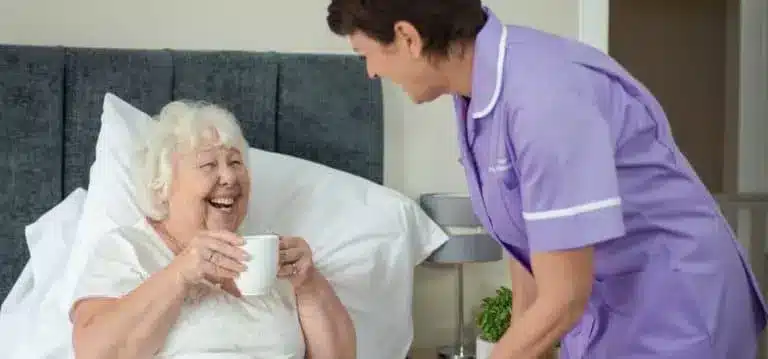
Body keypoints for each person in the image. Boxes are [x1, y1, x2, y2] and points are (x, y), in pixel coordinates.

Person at [326, 1, 768, 358]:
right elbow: (529, 238)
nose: (371, 73)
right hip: (606, 307)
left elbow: (564, 296)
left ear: (408, 37)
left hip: (675, 309)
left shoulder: (542, 98)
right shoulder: (479, 93)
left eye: (366, 54)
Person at [68, 100, 356, 359]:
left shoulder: (268, 256)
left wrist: (308, 283)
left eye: (235, 162)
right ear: (162, 185)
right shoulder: (129, 249)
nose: (229, 177)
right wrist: (180, 274)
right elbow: (94, 354)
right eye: (208, 165)